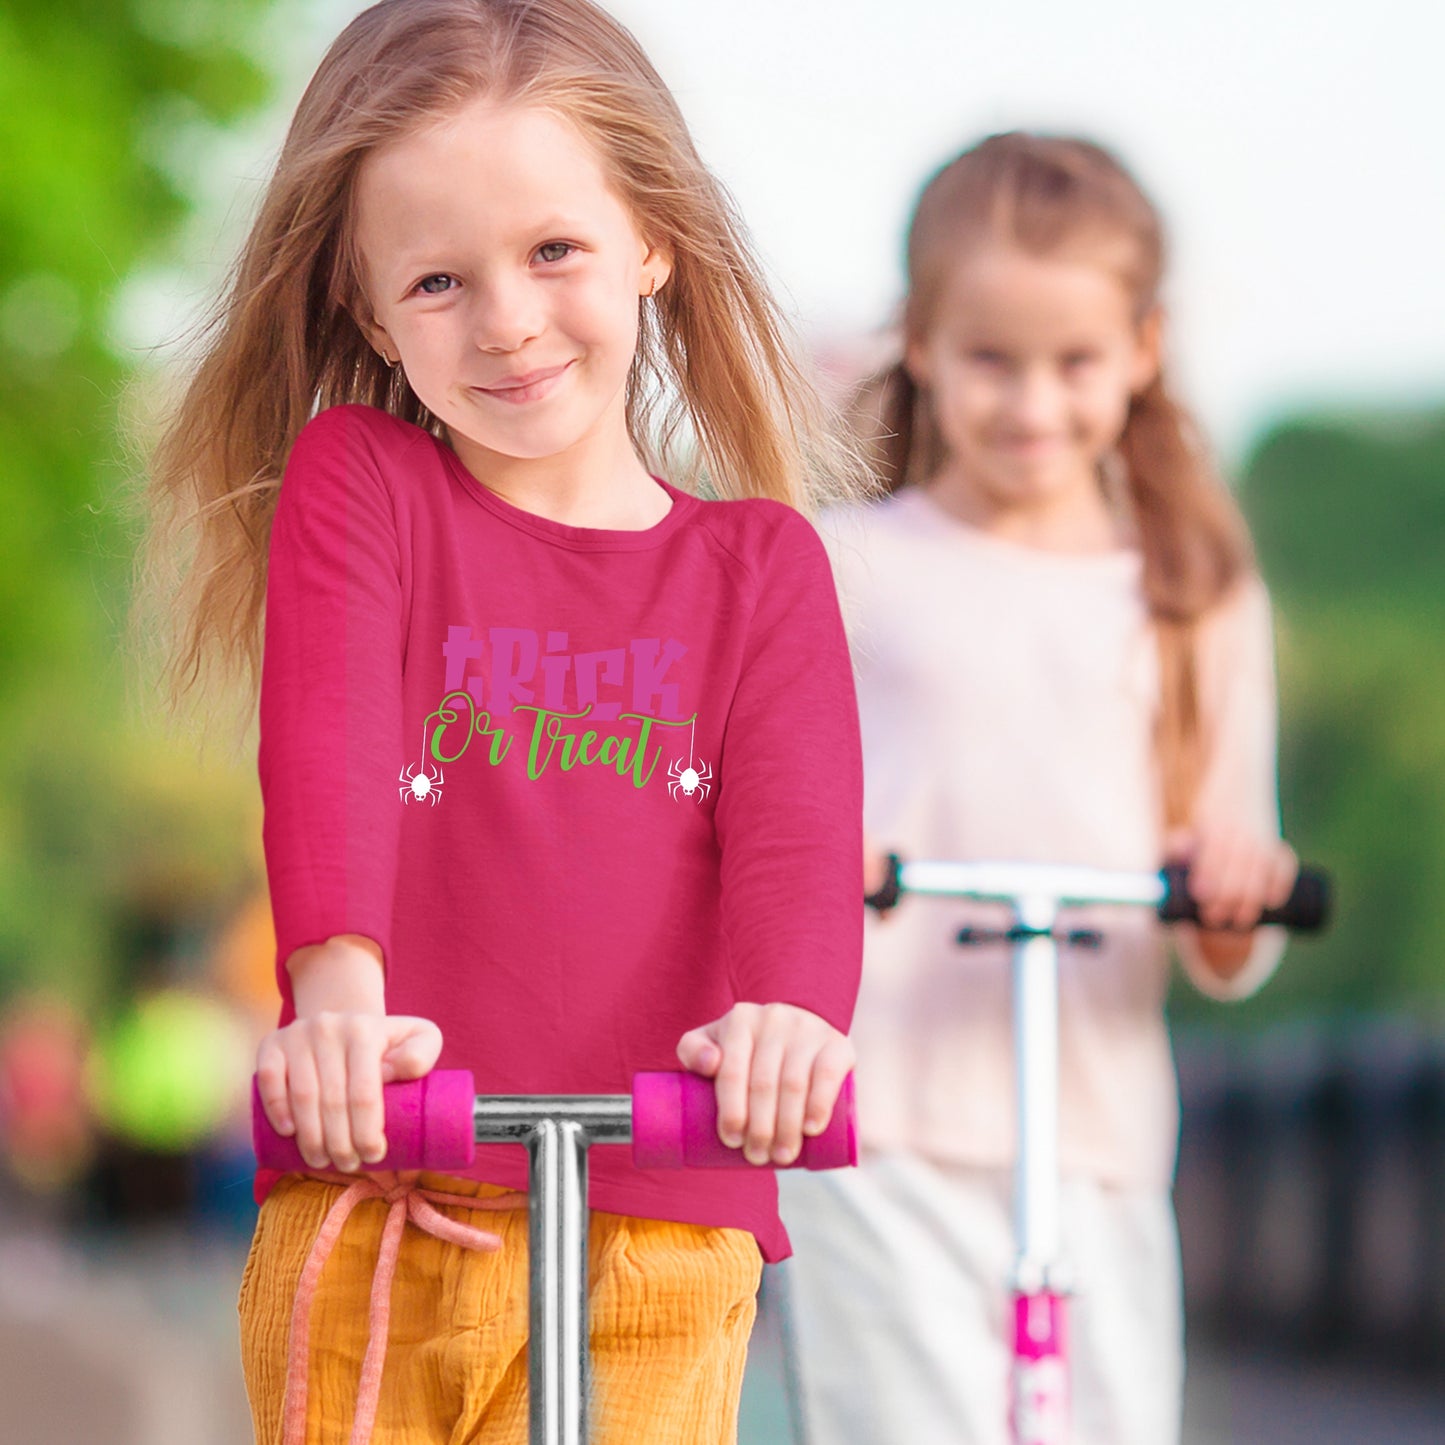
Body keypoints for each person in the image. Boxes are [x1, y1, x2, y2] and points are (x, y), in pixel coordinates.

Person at [137, 2, 868, 1441]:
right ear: (365, 309)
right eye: (437, 281)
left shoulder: (759, 564)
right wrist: (337, 1001)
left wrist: (790, 1019)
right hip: (392, 1202)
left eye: (553, 251)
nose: (509, 321)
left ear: (650, 237)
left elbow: (793, 828)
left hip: (655, 1228)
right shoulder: (367, 486)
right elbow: (330, 732)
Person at [776, 132, 1300, 1445]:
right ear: (919, 345)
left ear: (1141, 348)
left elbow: (1224, 919)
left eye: (1072, 363)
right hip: (882, 1115)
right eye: (989, 360)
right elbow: (757, 806)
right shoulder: (841, 567)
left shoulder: (1191, 599)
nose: (1031, 404)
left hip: (1097, 1129)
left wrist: (1234, 883)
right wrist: (802, 855)